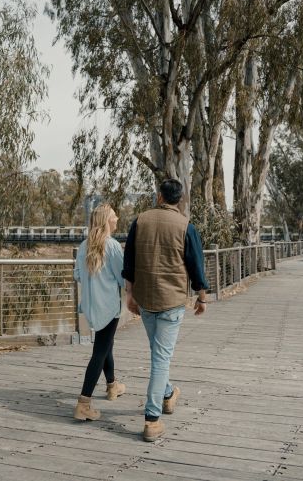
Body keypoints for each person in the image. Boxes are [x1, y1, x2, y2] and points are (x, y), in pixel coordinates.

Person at [122, 179, 209, 442]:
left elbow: (129, 261)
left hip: (145, 298)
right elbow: (196, 263)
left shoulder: (140, 221)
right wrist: (201, 297)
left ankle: (168, 394)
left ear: (159, 196)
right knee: (161, 357)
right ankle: (151, 419)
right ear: (179, 199)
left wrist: (129, 294)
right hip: (172, 301)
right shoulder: (186, 226)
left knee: (158, 354)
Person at [73, 203, 126, 421]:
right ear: (106, 220)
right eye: (114, 216)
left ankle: (112, 386)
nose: (117, 219)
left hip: (91, 306)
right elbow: (123, 277)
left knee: (105, 346)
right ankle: (84, 403)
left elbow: (77, 275)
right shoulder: (112, 246)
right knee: (100, 351)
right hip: (109, 306)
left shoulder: (84, 246)